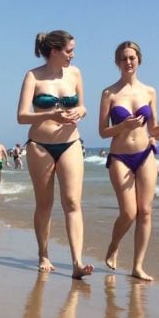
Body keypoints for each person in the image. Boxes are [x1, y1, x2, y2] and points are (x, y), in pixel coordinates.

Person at [16, 30, 93, 278]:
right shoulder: (33, 77)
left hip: (70, 143)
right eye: (69, 50)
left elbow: (82, 105)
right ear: (54, 51)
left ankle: (77, 263)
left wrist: (81, 112)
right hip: (40, 145)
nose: (73, 55)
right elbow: (21, 116)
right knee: (45, 204)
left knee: (72, 202)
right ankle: (43, 254)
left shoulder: (75, 73)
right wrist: (51, 114)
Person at [98, 41, 159, 281]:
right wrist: (122, 125)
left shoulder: (149, 91)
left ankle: (137, 266)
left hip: (145, 154)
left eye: (132, 58)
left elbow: (152, 130)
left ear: (139, 59)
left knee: (146, 211)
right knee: (129, 212)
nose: (128, 62)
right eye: (123, 58)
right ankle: (114, 245)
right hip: (120, 156)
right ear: (117, 62)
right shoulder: (109, 93)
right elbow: (102, 132)